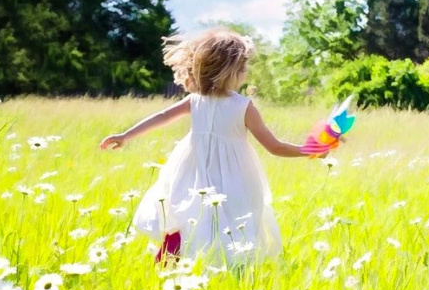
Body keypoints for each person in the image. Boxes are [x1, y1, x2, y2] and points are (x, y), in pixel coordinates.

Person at [100, 28, 309, 264]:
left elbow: (162, 116)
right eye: (242, 67)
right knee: (230, 220)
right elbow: (275, 146)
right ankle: (223, 267)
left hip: (192, 168)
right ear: (229, 71)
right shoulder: (243, 106)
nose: (246, 72)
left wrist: (126, 135)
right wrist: (309, 150)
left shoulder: (196, 100)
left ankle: (174, 260)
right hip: (232, 175)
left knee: (188, 212)